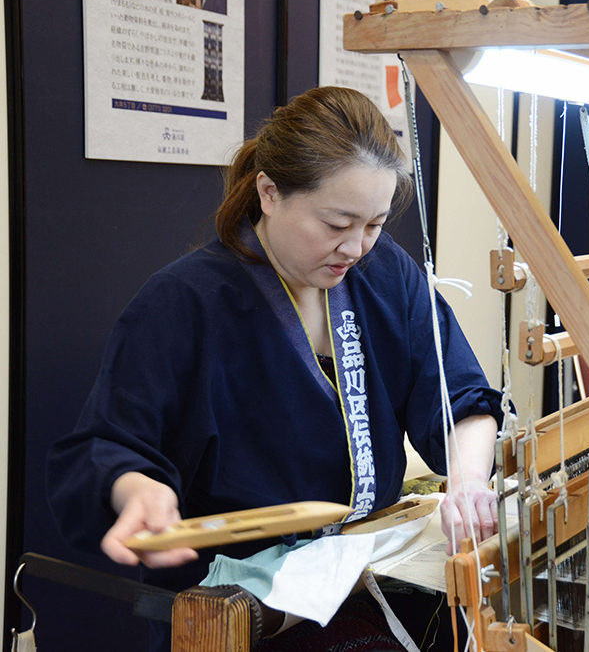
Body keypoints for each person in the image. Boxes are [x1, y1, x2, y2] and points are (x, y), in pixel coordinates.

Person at [47, 86, 502, 651]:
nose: (357, 247)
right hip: (238, 604)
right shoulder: (183, 302)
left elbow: (459, 394)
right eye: (336, 223)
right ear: (269, 192)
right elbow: (109, 445)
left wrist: (467, 484)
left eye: (375, 224)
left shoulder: (387, 273)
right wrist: (137, 490)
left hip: (361, 573)